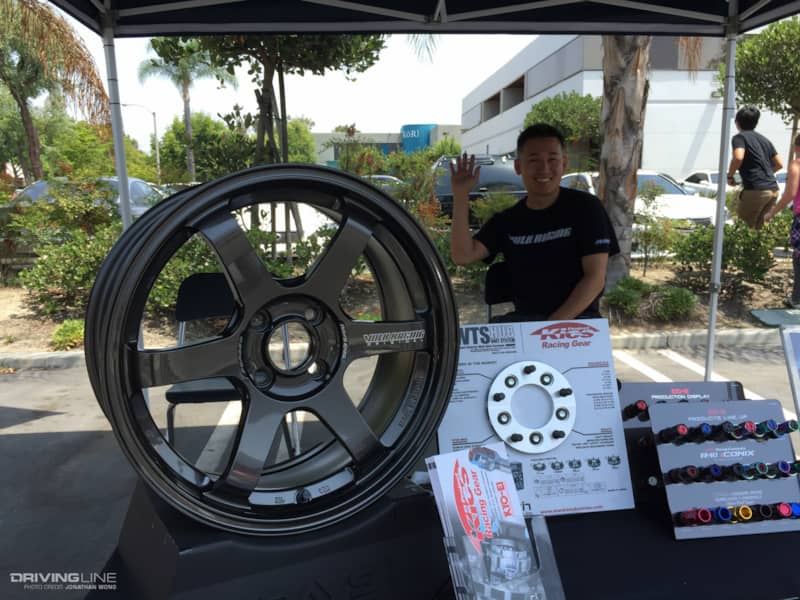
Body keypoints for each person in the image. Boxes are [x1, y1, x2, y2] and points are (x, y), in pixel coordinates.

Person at [449, 123, 618, 322]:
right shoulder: (508, 220)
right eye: (534, 160)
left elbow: (595, 278)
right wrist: (461, 195)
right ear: (518, 166)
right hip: (525, 325)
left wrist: (548, 329)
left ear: (564, 164)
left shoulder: (587, 208)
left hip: (578, 325)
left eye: (552, 159)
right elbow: (462, 255)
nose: (544, 168)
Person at [726, 105, 783, 229]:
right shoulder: (764, 140)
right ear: (756, 123)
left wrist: (730, 176)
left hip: (755, 190)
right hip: (773, 189)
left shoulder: (739, 137)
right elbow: (779, 164)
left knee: (743, 229)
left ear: (737, 122)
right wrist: (765, 174)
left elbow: (738, 157)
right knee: (759, 230)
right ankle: (758, 249)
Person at [763, 134, 800, 308]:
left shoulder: (796, 164)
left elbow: (790, 193)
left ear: (796, 147)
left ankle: (797, 298)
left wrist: (772, 212)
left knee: (799, 257)